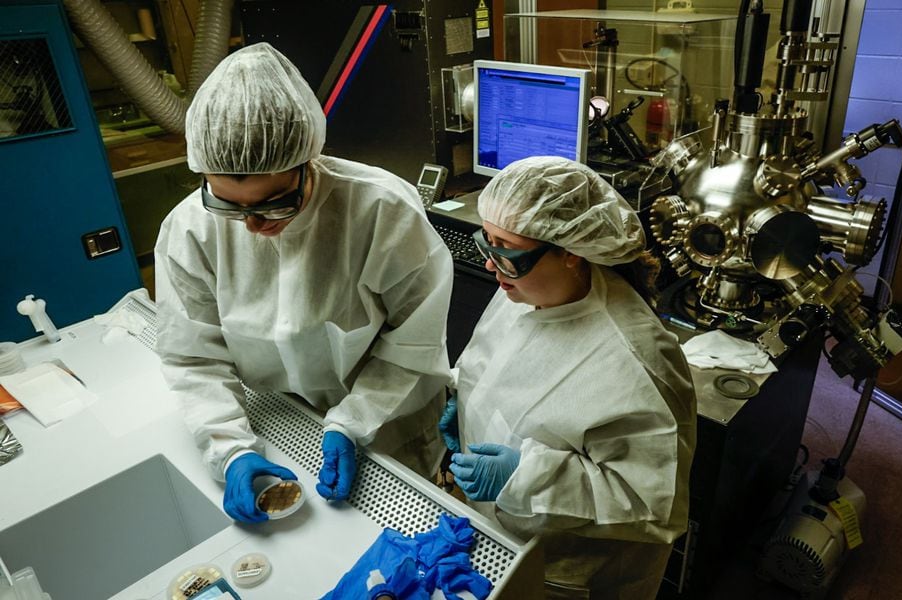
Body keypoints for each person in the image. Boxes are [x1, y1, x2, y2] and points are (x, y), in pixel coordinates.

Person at [154, 43, 453, 524]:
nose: (252, 224)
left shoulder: (380, 211)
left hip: (386, 426)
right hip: (276, 424)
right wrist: (228, 447)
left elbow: (414, 344)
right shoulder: (190, 229)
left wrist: (355, 422)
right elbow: (194, 356)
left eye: (274, 203)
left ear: (307, 162)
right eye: (229, 205)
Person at [438, 156, 696, 598]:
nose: (490, 266)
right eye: (487, 243)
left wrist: (525, 478)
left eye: (505, 252)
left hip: (571, 574)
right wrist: (465, 404)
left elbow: (651, 504)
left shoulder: (636, 359)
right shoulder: (524, 287)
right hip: (498, 534)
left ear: (571, 253)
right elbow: (504, 367)